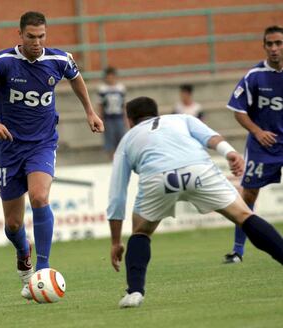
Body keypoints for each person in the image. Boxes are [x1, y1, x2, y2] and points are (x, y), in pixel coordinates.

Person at [0, 11, 104, 299]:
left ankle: (42, 269)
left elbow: (76, 78)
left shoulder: (59, 60)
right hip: (8, 147)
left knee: (39, 197)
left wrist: (89, 111)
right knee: (13, 225)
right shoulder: (1, 63)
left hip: (42, 143)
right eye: (31, 37)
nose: (37, 42)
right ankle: (23, 250)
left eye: (41, 36)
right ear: (20, 35)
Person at [107, 96, 283, 308]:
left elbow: (117, 195)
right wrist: (231, 153)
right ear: (157, 113)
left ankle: (135, 292)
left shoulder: (126, 141)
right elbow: (212, 138)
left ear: (129, 120)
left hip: (158, 178)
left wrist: (116, 242)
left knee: (141, 233)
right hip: (197, 169)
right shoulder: (181, 119)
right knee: (244, 216)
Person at [223, 25, 283, 264]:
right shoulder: (254, 76)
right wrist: (257, 132)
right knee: (249, 193)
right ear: (264, 46)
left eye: (278, 43)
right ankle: (238, 250)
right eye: (269, 44)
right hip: (263, 145)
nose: (274, 48)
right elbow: (238, 110)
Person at [97, 66, 127, 159]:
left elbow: (123, 104)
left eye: (112, 76)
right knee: (109, 139)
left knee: (121, 138)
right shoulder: (102, 89)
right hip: (108, 117)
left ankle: (120, 158)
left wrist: (125, 117)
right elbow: (100, 104)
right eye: (108, 76)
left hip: (119, 116)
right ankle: (111, 158)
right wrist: (100, 117)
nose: (110, 78)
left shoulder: (120, 88)